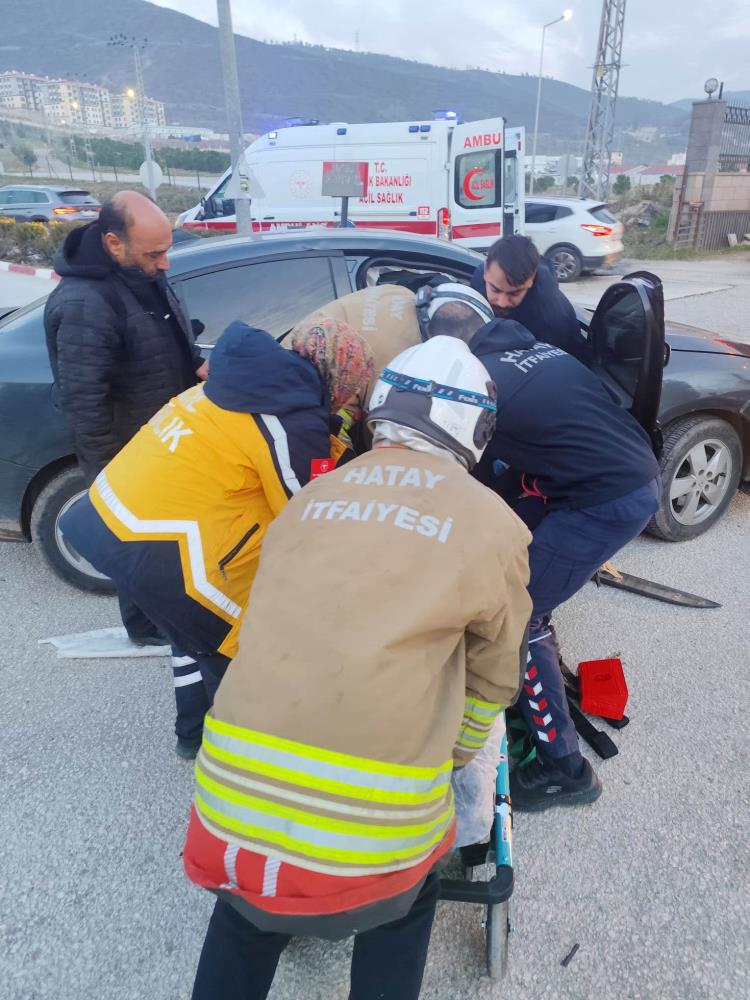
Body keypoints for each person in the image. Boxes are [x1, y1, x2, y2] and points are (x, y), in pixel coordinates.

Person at [182, 337, 532, 1000]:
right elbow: (493, 674)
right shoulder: (495, 525)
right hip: (374, 843)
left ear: (381, 408)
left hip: (225, 812)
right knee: (405, 902)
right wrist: (452, 751)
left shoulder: (310, 500)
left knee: (246, 919)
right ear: (476, 428)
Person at [58, 318, 374, 758]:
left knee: (187, 636)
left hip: (110, 520)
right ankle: (236, 760)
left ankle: (191, 736)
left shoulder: (235, 383)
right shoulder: (287, 420)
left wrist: (328, 428)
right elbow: (307, 510)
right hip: (169, 554)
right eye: (352, 389)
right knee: (231, 656)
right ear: (337, 378)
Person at [420, 284, 661, 812]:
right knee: (516, 567)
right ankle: (528, 671)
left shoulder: (481, 386)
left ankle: (564, 768)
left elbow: (462, 479)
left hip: (606, 500)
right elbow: (534, 446)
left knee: (519, 613)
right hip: (625, 469)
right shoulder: (536, 350)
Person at [44, 191, 208, 646]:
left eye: (167, 249)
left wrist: (194, 365)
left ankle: (166, 620)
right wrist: (109, 475)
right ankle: (146, 630)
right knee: (140, 547)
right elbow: (83, 399)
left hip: (162, 439)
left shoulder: (141, 275)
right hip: (126, 453)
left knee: (166, 543)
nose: (166, 262)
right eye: (155, 252)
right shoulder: (84, 302)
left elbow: (165, 341)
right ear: (114, 243)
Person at [470, 234, 589, 364]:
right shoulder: (480, 276)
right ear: (486, 270)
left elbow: (548, 369)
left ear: (531, 279)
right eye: (495, 289)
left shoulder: (549, 318)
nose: (502, 303)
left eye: (514, 294)